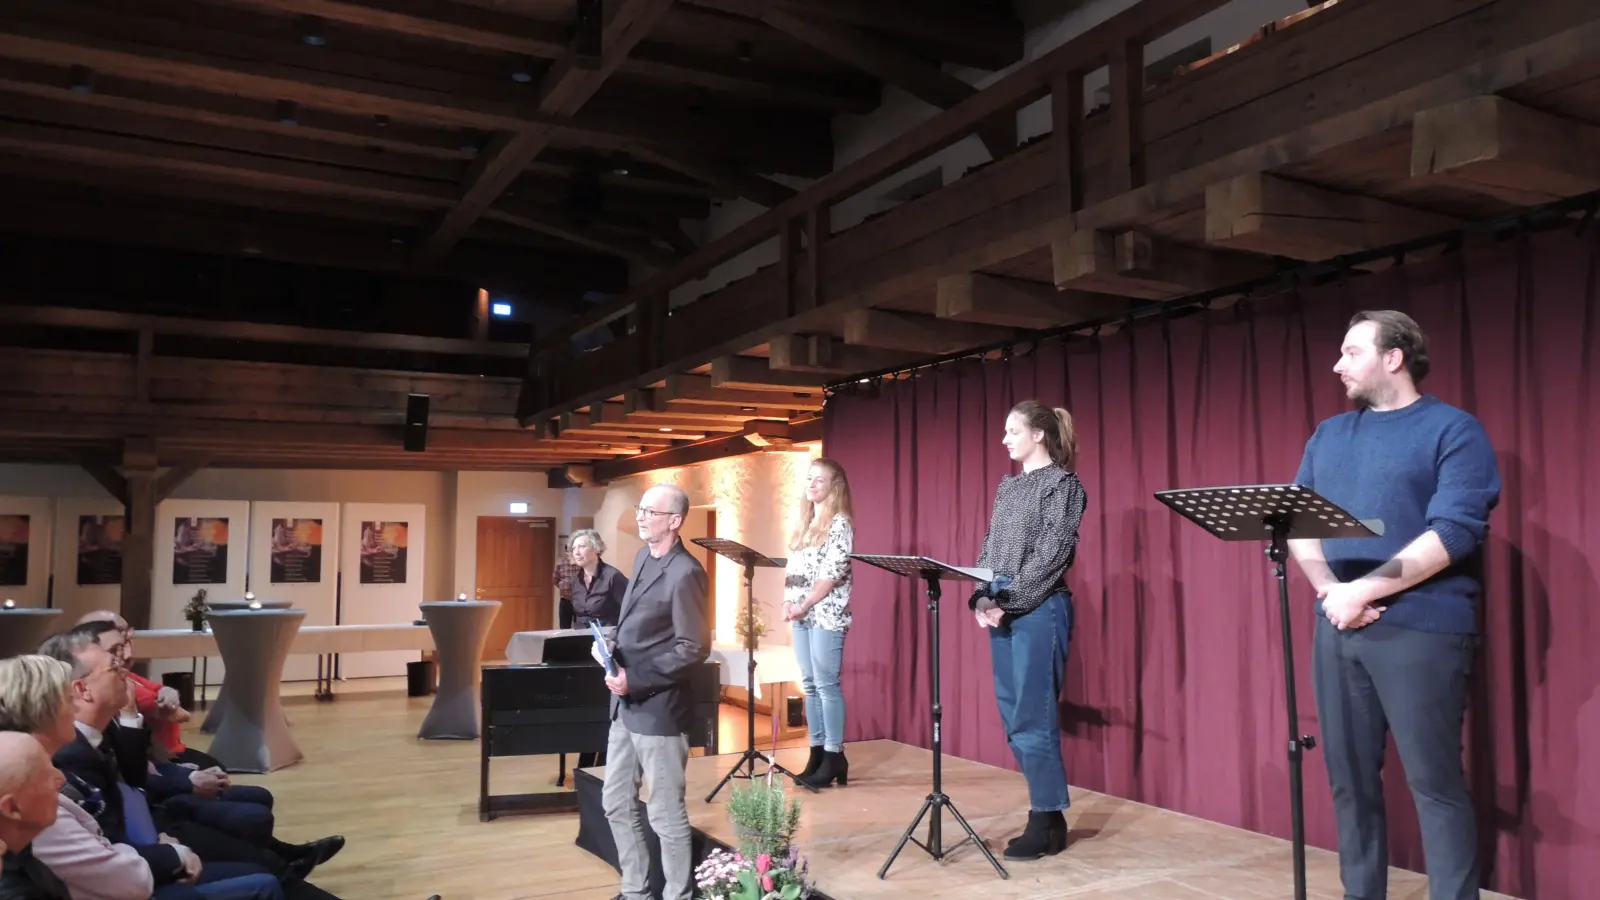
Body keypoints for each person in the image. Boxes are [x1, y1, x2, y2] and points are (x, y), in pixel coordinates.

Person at [1290, 310, 1500, 900]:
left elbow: (1454, 532)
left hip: (1422, 627)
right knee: (1349, 781)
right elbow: (1296, 520)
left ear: (1394, 357)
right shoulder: (1330, 434)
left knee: (1434, 783)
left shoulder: (1453, 430)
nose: (1337, 365)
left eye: (1351, 352)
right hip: (1338, 622)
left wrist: (1363, 590)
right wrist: (1331, 590)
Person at [967, 399, 1088, 862]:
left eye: (1012, 431)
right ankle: (1051, 820)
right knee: (1012, 717)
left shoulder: (1063, 485)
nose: (1004, 440)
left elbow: (1053, 553)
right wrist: (982, 596)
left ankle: (1043, 818)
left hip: (1040, 609)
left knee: (1032, 716)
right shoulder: (1009, 487)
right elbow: (990, 547)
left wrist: (1009, 602)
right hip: (1003, 607)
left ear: (1038, 434)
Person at [597, 484, 710, 900]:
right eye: (640, 509)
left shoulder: (686, 572)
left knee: (664, 815)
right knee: (615, 802)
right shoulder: (643, 556)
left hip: (659, 710)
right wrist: (609, 643)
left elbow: (693, 647)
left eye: (650, 511)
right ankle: (636, 892)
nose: (641, 517)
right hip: (624, 707)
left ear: (675, 521)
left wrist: (637, 678)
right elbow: (636, 625)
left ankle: (678, 895)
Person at [780, 458, 854, 789]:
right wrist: (787, 601)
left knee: (826, 685)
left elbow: (831, 575)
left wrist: (804, 604)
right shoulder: (805, 524)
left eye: (819, 480)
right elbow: (793, 569)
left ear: (834, 487)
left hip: (826, 615)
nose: (811, 485)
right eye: (809, 479)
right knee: (809, 684)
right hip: (801, 614)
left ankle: (834, 754)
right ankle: (816, 752)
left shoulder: (840, 524)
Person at [567, 529, 628, 630]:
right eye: (574, 548)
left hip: (606, 636)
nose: (576, 552)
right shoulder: (575, 579)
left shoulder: (613, 576)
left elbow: (629, 610)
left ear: (596, 548)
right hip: (580, 635)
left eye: (582, 546)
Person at [553, 540, 580, 630]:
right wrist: (563, 587)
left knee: (580, 627)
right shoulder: (560, 563)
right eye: (568, 551)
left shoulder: (581, 563)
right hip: (565, 600)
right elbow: (555, 579)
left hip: (579, 600)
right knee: (564, 627)